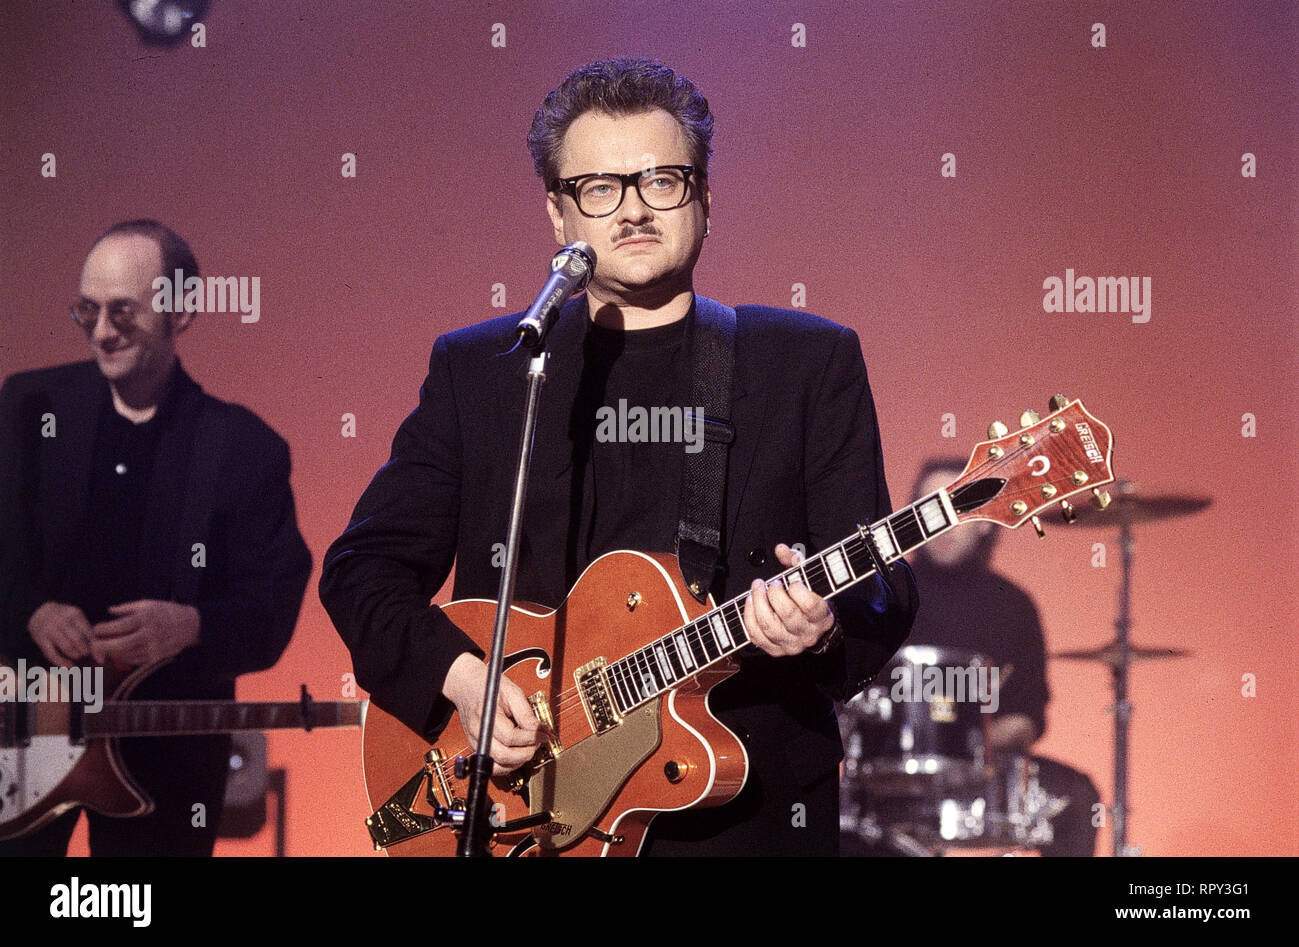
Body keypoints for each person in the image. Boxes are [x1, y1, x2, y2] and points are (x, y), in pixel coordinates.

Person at [320, 57, 917, 855]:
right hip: (519, 813)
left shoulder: (806, 362)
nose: (633, 209)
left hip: (741, 815)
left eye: (661, 181)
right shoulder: (489, 370)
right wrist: (461, 678)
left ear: (706, 198)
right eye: (599, 188)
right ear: (558, 216)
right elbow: (362, 570)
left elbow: (883, 582)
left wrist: (824, 627)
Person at [0, 219, 311, 856]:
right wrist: (29, 611)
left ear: (184, 311)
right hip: (25, 739)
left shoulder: (245, 449)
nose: (102, 332)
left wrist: (192, 625)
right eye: (87, 310)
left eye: (124, 312)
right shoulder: (28, 407)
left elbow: (271, 610)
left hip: (166, 757)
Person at [893, 458, 1101, 856]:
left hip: (984, 772)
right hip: (893, 776)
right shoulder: (881, 599)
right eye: (927, 508)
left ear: (988, 520)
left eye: (956, 508)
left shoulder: (1013, 606)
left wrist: (961, 744)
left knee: (1077, 796)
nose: (940, 522)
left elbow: (1026, 719)